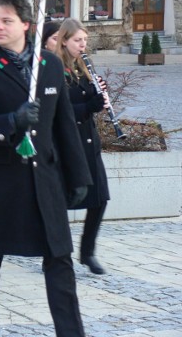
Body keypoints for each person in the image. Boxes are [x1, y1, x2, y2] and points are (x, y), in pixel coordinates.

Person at [0, 0, 92, 337]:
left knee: (60, 261)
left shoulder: (48, 65)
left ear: (27, 24)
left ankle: (71, 332)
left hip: (43, 181)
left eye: (6, 21)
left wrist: (79, 175)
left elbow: (64, 125)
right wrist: (11, 122)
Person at [54, 19, 111, 275]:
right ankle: (56, 253)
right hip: (68, 143)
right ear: (64, 40)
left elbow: (88, 98)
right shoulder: (55, 68)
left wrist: (100, 97)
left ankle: (87, 252)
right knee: (62, 202)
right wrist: (88, 107)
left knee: (99, 198)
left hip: (89, 141)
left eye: (85, 40)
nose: (83, 45)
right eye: (78, 40)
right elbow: (58, 109)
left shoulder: (84, 65)